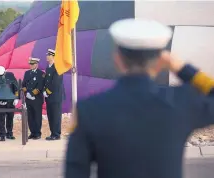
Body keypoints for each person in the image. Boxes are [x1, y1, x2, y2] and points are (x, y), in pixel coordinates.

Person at [65, 18, 214, 178]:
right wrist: (181, 68)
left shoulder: (88, 110)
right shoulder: (181, 101)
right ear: (160, 62)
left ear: (117, 59)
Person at [0, 66, 19, 142]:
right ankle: (2, 135)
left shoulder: (10, 76)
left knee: (10, 117)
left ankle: (9, 133)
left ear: (4, 72)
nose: (0, 76)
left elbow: (16, 87)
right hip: (1, 102)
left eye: (1, 74)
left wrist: (16, 98)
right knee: (1, 118)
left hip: (11, 101)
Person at [43, 49, 65, 141]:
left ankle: (56, 134)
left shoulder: (57, 67)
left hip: (55, 96)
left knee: (56, 115)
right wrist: (44, 90)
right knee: (50, 115)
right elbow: (46, 81)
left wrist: (47, 91)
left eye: (48, 55)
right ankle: (53, 133)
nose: (47, 56)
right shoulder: (48, 68)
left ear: (53, 56)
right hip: (49, 97)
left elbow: (56, 82)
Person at [22, 57, 45, 140]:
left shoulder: (41, 73)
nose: (31, 66)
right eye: (30, 64)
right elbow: (24, 84)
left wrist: (32, 94)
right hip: (28, 98)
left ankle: (37, 133)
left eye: (32, 64)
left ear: (36, 64)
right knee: (30, 116)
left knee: (37, 116)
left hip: (37, 99)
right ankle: (32, 132)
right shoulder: (27, 73)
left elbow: (40, 86)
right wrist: (26, 93)